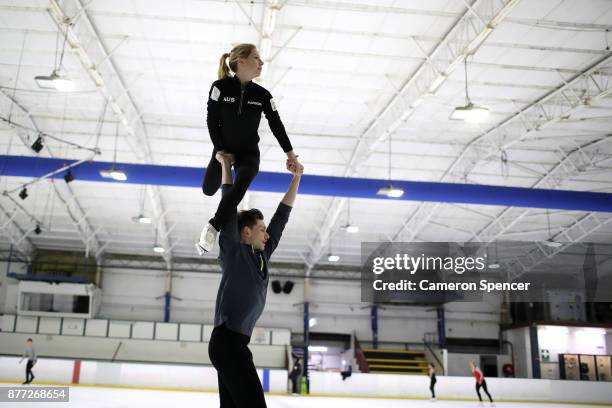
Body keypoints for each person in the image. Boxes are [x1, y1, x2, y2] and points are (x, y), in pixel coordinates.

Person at [208, 150, 303, 407]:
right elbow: (228, 202)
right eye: (262, 229)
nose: (267, 234)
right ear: (246, 232)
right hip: (227, 343)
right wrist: (226, 164)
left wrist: (296, 179)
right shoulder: (233, 251)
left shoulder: (261, 256)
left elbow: (281, 218)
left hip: (235, 344)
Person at [196, 43, 300, 255]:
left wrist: (291, 155)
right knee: (208, 189)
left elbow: (277, 125)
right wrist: (221, 151)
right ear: (241, 61)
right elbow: (211, 120)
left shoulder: (262, 95)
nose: (261, 63)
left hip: (248, 153)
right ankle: (215, 220)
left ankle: (213, 226)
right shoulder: (220, 88)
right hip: (222, 148)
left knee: (243, 181)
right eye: (256, 58)